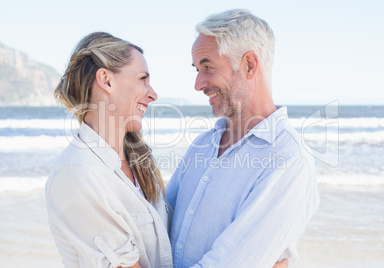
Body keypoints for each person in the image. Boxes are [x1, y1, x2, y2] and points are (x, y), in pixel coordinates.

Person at [166, 9, 320, 268]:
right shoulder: (203, 144)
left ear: (249, 64)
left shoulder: (288, 160)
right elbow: (158, 224)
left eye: (207, 67)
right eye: (197, 69)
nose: (198, 83)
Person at [46, 32, 172, 268]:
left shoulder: (140, 162)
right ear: (106, 80)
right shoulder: (79, 173)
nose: (153, 94)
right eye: (142, 79)